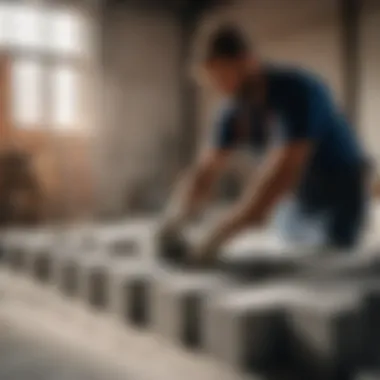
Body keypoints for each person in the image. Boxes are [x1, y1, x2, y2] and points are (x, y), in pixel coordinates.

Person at [158, 25, 370, 266]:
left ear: (247, 62)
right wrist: (175, 216)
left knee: (327, 263)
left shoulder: (299, 91)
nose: (220, 87)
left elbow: (282, 174)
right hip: (299, 199)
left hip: (340, 195)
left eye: (222, 75)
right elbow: (206, 171)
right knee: (286, 250)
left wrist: (221, 233)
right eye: (211, 79)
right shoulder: (232, 111)